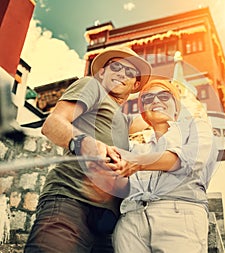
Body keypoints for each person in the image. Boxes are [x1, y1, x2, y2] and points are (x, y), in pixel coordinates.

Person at [24, 46, 152, 253]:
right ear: (102, 72)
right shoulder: (92, 86)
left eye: (130, 73)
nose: (122, 74)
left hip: (108, 221)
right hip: (71, 200)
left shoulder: (122, 119)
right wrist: (84, 142)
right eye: (116, 67)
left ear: (135, 85)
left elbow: (151, 120)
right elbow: (53, 123)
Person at [111, 79, 219, 253]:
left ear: (177, 106)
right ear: (143, 114)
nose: (155, 101)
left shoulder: (197, 128)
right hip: (132, 223)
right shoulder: (137, 147)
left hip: (178, 216)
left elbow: (190, 161)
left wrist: (138, 163)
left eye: (164, 96)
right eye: (147, 99)